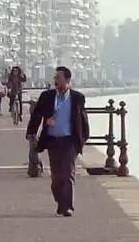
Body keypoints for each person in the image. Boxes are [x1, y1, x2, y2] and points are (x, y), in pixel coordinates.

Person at [25, 66, 91, 217]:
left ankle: (67, 206)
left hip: (69, 141)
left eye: (58, 78)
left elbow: (83, 120)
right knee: (56, 176)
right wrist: (31, 132)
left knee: (67, 173)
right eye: (54, 78)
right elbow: (37, 115)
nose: (55, 81)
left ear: (67, 80)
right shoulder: (47, 96)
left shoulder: (77, 98)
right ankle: (60, 200)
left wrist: (83, 138)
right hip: (52, 140)